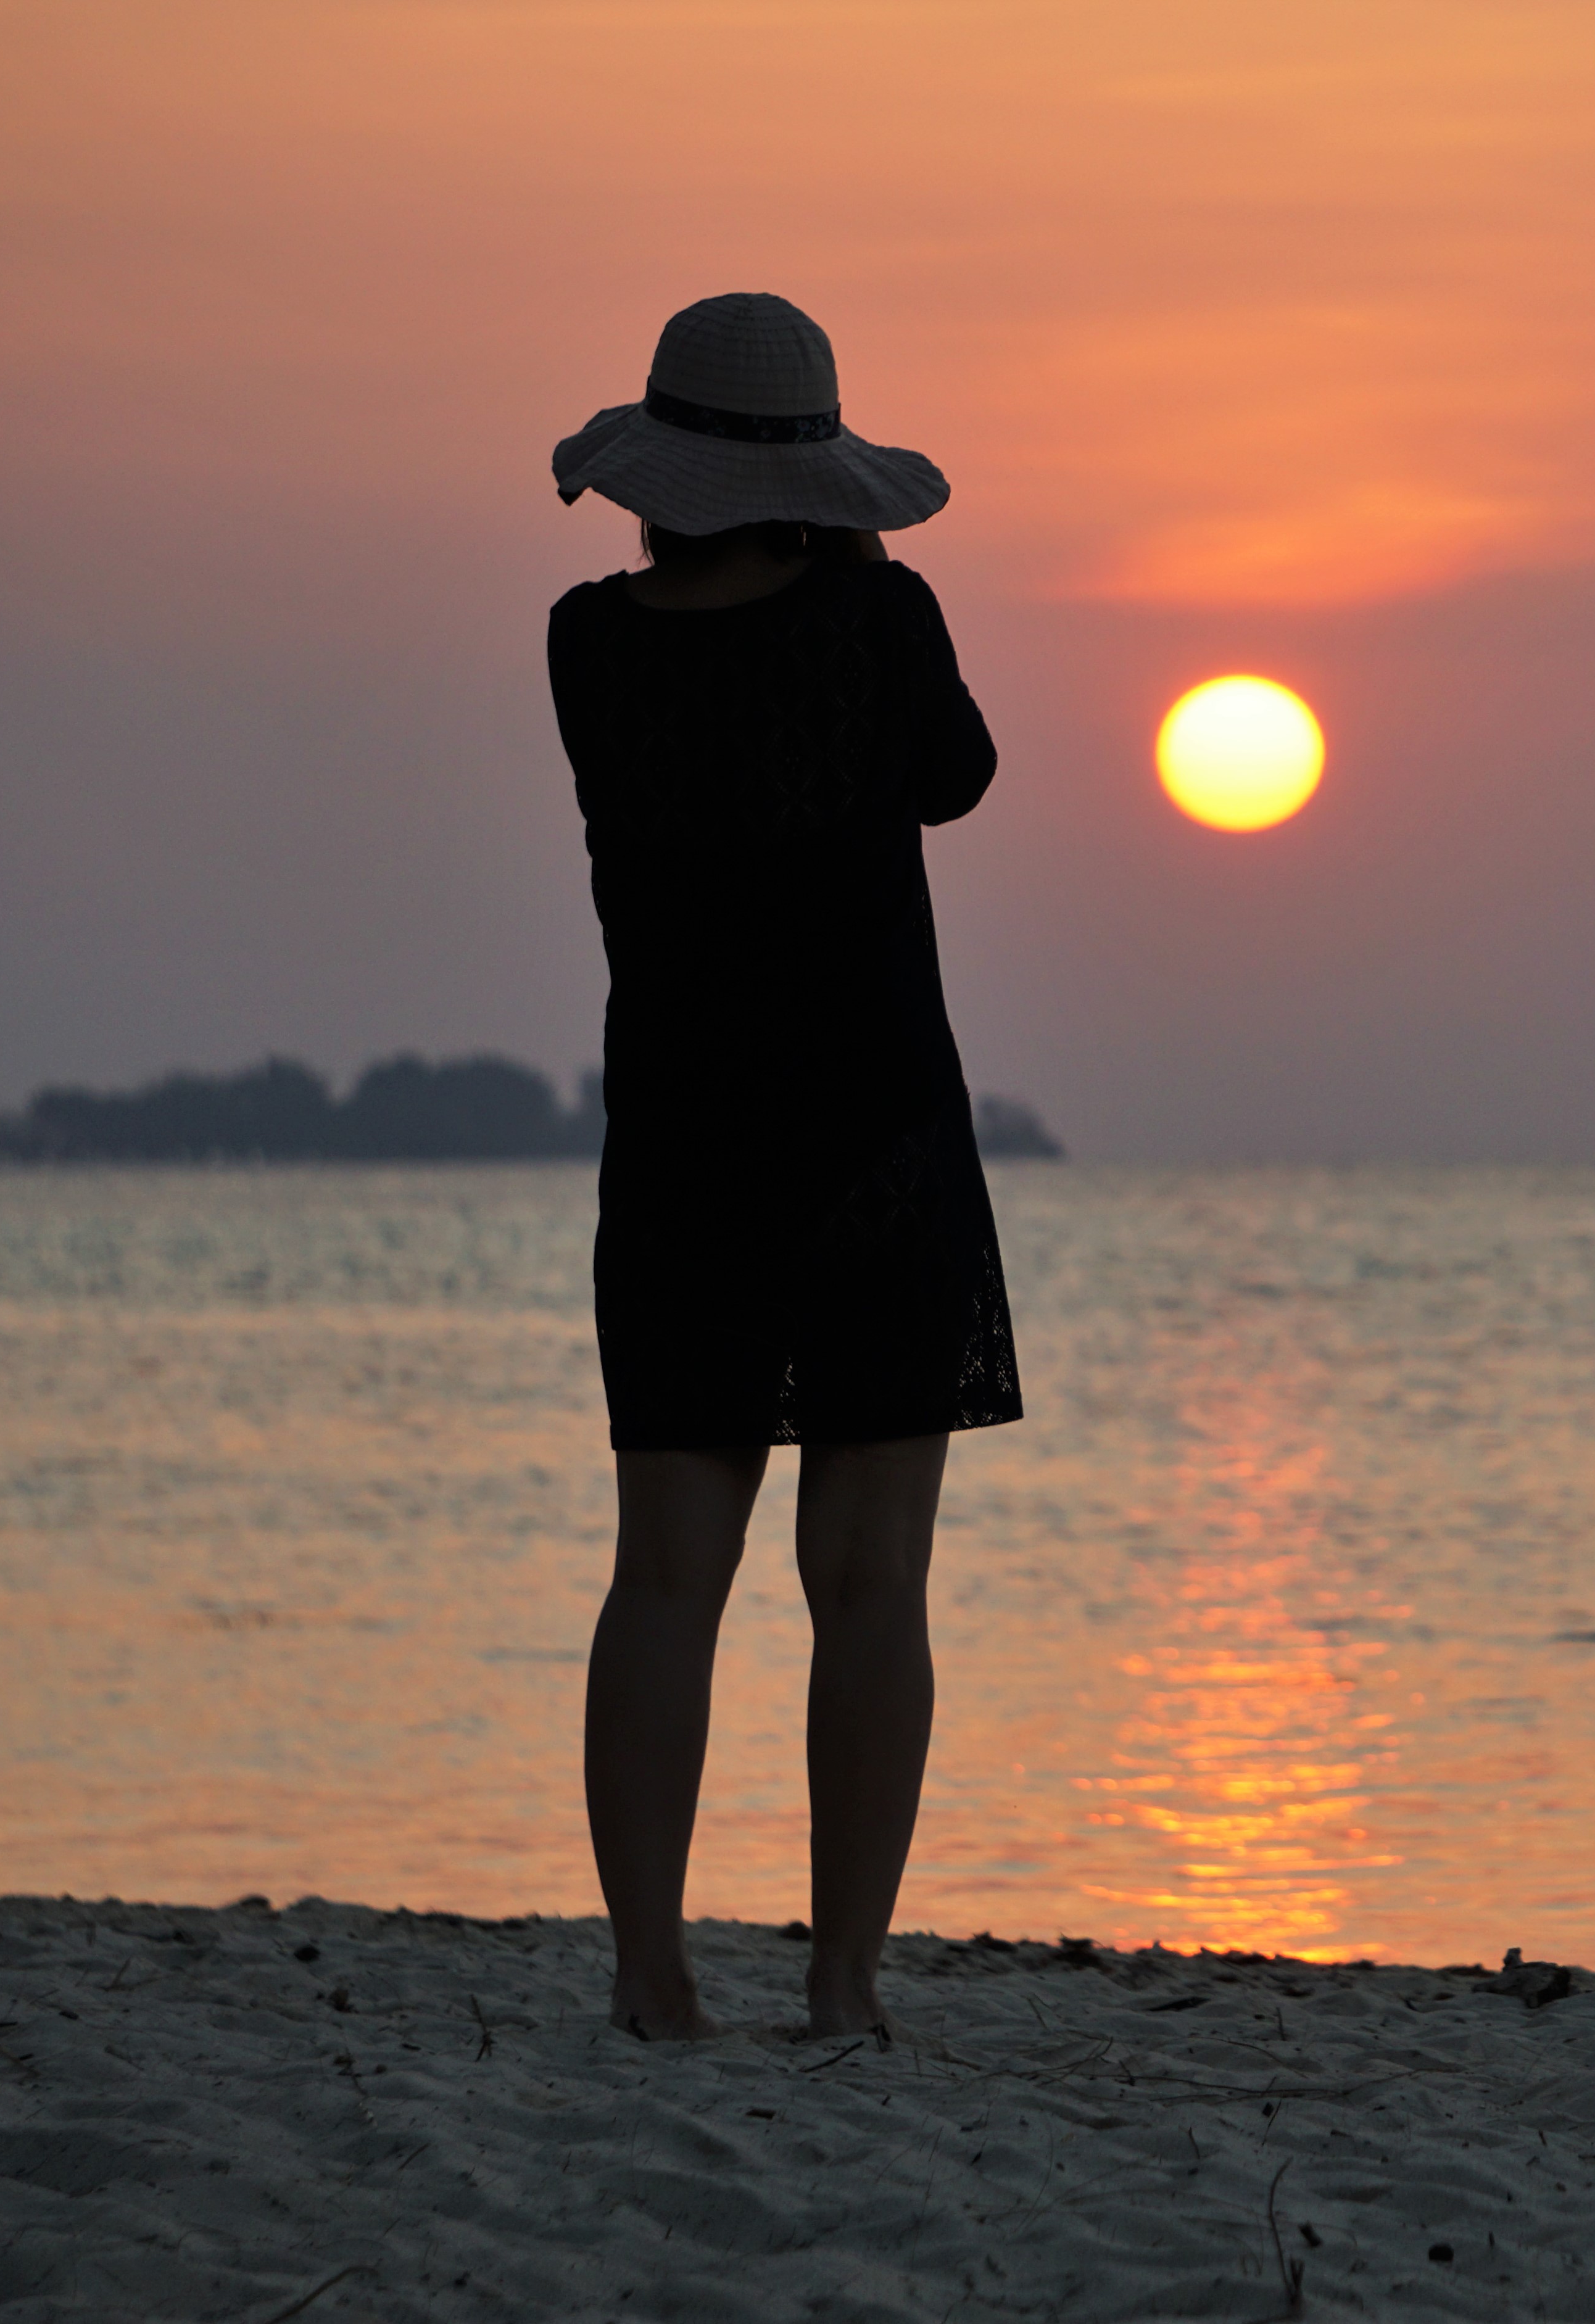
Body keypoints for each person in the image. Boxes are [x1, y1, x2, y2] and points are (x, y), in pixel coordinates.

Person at [545, 292, 1022, 2041]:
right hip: (877, 1136)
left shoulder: (587, 645)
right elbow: (955, 779)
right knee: (871, 1580)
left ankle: (651, 1974)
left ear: (657, 472)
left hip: (682, 1141)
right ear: (820, 479)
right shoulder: (878, 619)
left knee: (667, 1570)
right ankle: (840, 1984)